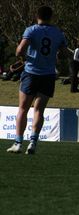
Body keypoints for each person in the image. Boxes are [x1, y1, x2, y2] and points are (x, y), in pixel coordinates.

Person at [6, 6, 67, 154]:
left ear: (37, 16)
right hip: (48, 75)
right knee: (39, 110)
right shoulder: (58, 33)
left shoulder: (31, 30)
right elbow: (64, 54)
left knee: (23, 109)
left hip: (31, 73)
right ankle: (33, 142)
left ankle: (18, 143)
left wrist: (23, 56)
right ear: (51, 17)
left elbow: (20, 51)